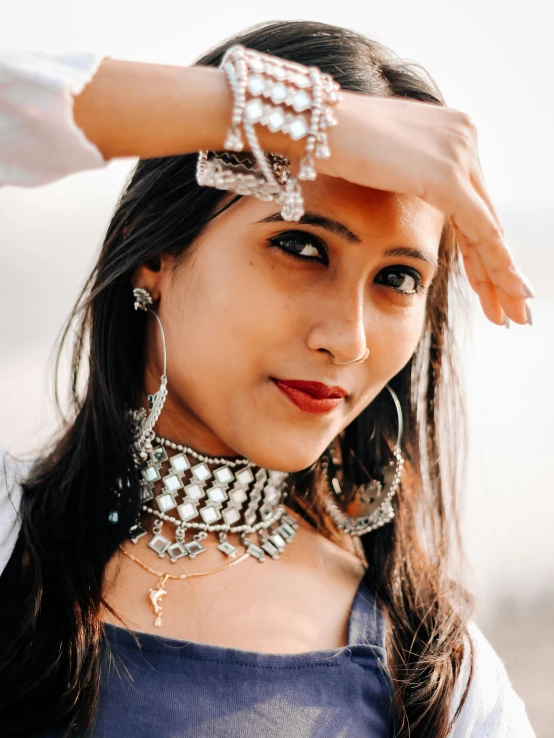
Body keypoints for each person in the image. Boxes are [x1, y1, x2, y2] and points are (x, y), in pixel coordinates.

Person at [0, 19, 536, 738]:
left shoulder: (438, 677)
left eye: (398, 278)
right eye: (300, 245)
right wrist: (299, 116)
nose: (348, 339)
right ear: (153, 250)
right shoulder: (14, 547)